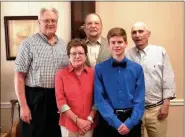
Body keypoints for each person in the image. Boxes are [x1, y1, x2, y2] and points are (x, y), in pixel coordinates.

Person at [14, 7, 69, 137]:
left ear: (57, 22)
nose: (50, 23)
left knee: (55, 134)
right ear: (39, 22)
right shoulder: (28, 44)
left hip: (57, 99)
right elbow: (19, 76)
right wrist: (23, 106)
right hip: (35, 99)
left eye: (53, 20)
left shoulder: (63, 44)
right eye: (46, 20)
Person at [126, 21, 176, 137]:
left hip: (156, 110)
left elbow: (168, 78)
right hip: (135, 111)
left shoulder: (160, 52)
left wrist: (166, 104)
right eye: (134, 32)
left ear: (148, 34)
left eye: (141, 31)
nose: (137, 35)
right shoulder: (127, 55)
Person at [94, 27, 145, 137]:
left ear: (126, 43)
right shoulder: (99, 69)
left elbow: (139, 99)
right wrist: (115, 122)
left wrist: (130, 123)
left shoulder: (137, 69)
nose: (116, 45)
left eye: (120, 42)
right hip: (108, 121)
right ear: (108, 45)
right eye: (113, 42)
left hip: (131, 121)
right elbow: (99, 99)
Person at [55, 39, 96, 137]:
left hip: (88, 124)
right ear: (69, 56)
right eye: (73, 53)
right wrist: (77, 121)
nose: (77, 56)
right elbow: (61, 102)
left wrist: (89, 120)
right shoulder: (60, 74)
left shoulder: (94, 74)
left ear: (85, 56)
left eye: (80, 53)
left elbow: (98, 100)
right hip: (68, 124)